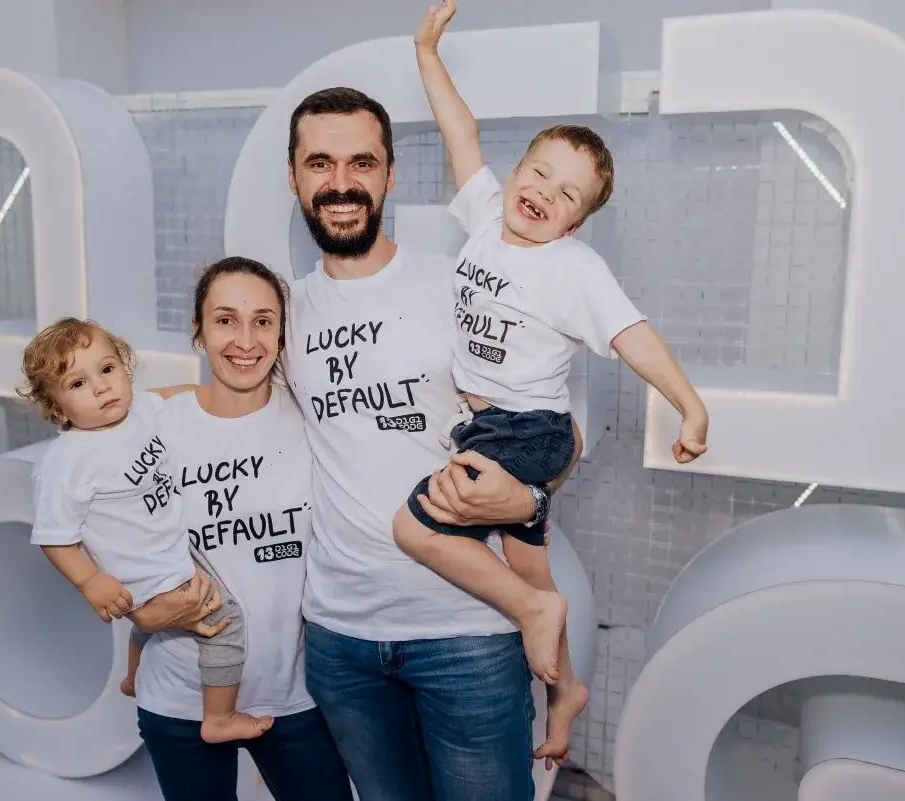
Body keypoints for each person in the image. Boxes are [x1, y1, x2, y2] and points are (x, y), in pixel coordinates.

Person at [392, 0, 710, 761]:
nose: (544, 192)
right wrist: (427, 52)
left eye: (567, 194)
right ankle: (565, 689)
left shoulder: (572, 268)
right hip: (485, 424)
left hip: (525, 430)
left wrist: (688, 404)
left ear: (575, 223)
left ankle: (538, 614)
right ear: (519, 169)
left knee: (416, 526)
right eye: (539, 172)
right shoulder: (484, 215)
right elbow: (459, 133)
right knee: (527, 565)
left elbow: (634, 336)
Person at [283, 83, 570, 800]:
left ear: (389, 173)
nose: (341, 183)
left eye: (361, 162)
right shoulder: (281, 315)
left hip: (466, 633)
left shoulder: (461, 288)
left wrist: (529, 494)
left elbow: (554, 432)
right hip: (339, 639)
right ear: (293, 174)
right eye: (320, 163)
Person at [128, 257, 354, 801]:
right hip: (181, 698)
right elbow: (92, 518)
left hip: (292, 694)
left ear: (282, 334)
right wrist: (140, 608)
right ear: (199, 332)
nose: (245, 340)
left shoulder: (313, 420)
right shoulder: (152, 424)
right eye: (226, 320)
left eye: (263, 320)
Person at [20, 317, 272, 744]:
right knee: (226, 622)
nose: (101, 387)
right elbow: (54, 537)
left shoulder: (140, 411)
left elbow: (173, 396)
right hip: (142, 572)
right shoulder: (66, 463)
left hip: (169, 551)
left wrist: (210, 395)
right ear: (58, 409)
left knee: (151, 627)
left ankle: (134, 677)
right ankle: (219, 717)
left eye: (107, 369)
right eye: (78, 384)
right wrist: (90, 582)